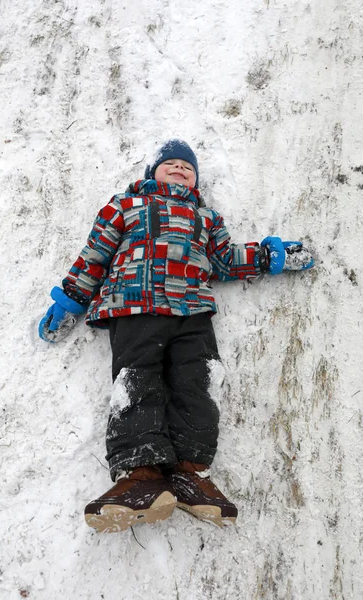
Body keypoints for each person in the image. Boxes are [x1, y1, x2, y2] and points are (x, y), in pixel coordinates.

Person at [39, 139, 314, 534]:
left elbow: (226, 260)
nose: (181, 169)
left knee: (199, 382)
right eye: (172, 164)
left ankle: (189, 472)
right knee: (137, 380)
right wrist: (70, 299)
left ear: (196, 178)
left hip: (192, 311)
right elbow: (95, 255)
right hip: (135, 306)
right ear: (152, 172)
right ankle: (141, 475)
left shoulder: (205, 217)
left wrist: (272, 256)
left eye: (188, 166)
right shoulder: (125, 206)